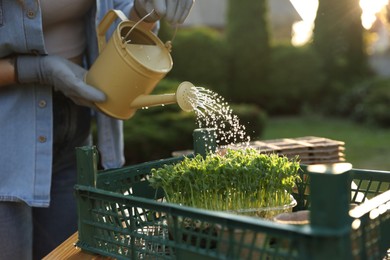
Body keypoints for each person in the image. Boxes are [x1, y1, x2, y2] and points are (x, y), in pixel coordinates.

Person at [0, 0, 194, 259]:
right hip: (7, 138)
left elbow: (120, 16)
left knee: (70, 254)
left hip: (74, 128)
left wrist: (143, 13)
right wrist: (36, 69)